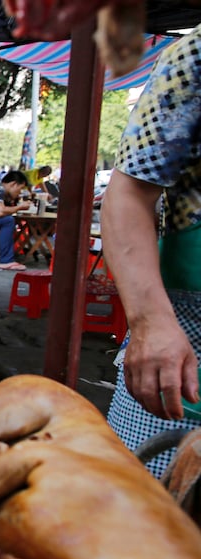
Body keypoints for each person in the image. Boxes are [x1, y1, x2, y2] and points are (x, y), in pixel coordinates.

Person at [103, 25, 201, 478]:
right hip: (188, 332)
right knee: (141, 509)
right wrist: (151, 321)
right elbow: (128, 195)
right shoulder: (196, 55)